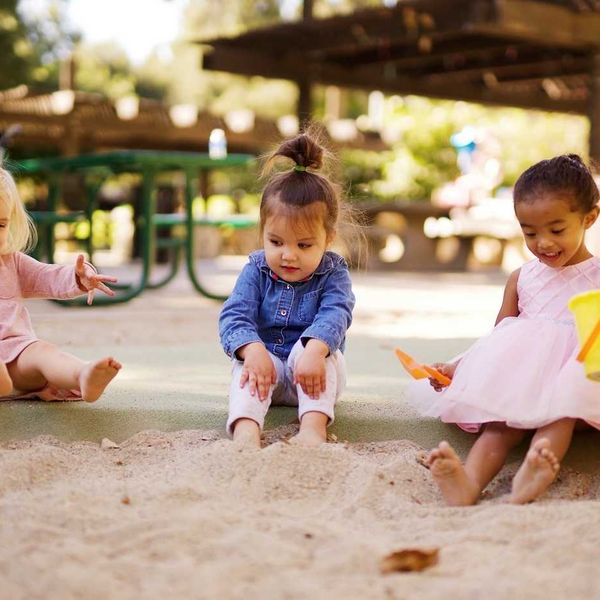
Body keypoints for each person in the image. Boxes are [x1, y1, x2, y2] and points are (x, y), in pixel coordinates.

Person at [410, 154, 600, 506]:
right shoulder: (522, 278)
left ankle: (535, 470)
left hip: (578, 381)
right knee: (499, 424)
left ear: (589, 217)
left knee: (561, 413)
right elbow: (498, 340)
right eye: (530, 232)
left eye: (556, 230)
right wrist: (459, 368)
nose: (543, 242)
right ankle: (468, 482)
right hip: (523, 381)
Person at [219, 131, 356, 447]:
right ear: (263, 233)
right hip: (265, 372)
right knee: (244, 362)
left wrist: (315, 349)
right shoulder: (256, 268)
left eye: (304, 244)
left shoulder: (333, 271)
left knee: (321, 354)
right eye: (276, 242)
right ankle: (245, 431)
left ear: (328, 238)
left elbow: (336, 313)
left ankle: (312, 429)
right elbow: (234, 314)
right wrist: (252, 350)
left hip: (312, 372)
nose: (288, 254)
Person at [0, 165, 121, 402]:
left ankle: (82, 374)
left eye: (0, 225)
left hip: (17, 357)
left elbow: (48, 276)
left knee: (44, 352)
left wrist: (79, 277)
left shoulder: (11, 262)